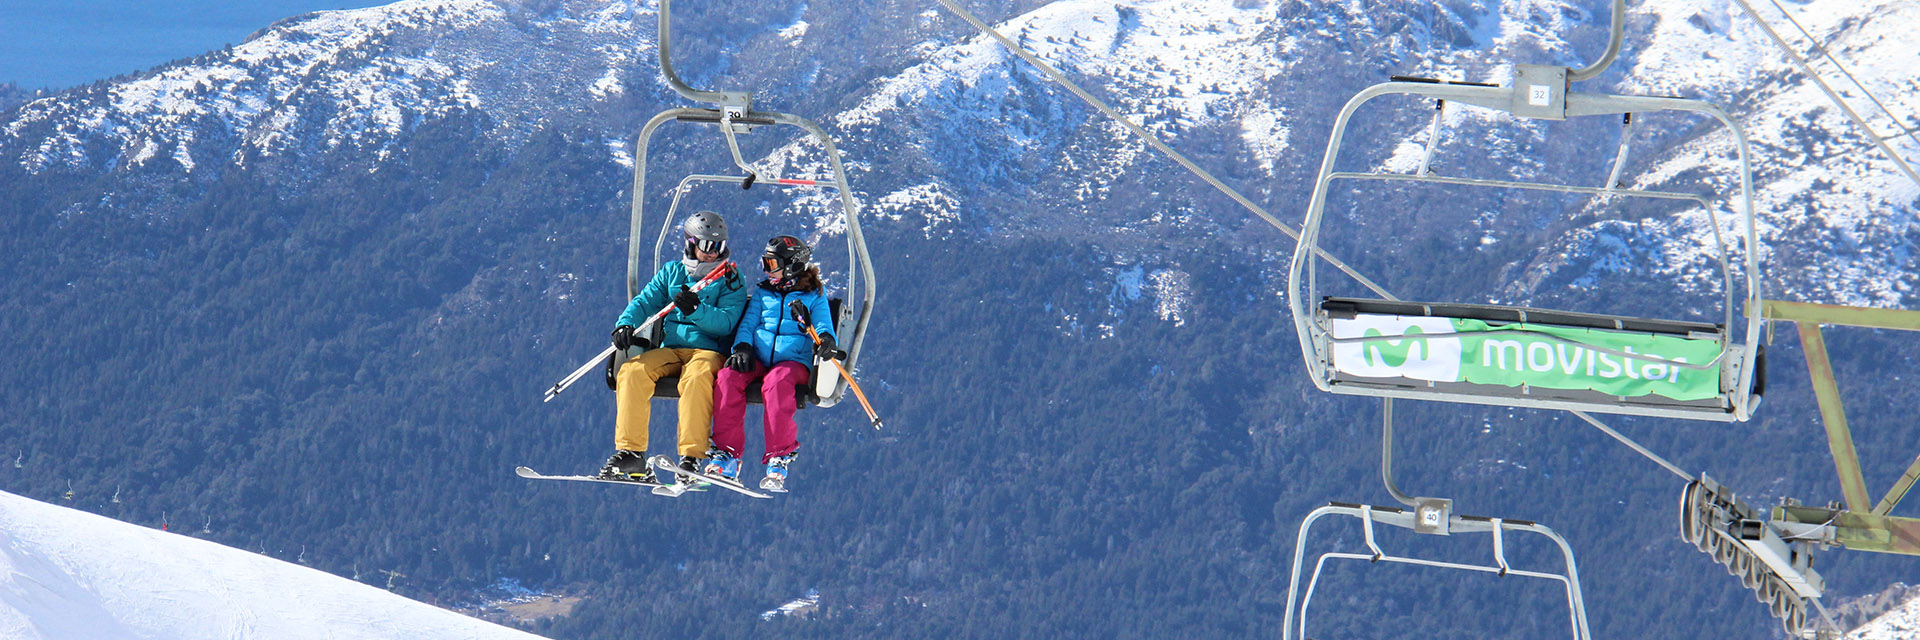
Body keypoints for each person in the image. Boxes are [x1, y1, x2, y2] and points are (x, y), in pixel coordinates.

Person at [597, 211, 750, 483]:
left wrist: (696, 310)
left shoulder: (730, 278)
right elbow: (645, 302)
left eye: (719, 246)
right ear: (690, 244)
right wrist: (625, 324)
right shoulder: (672, 271)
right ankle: (631, 453)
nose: (713, 253)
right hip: (672, 350)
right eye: (707, 246)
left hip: (708, 351)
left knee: (697, 378)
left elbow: (726, 323)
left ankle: (691, 456)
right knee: (632, 371)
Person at [706, 235, 845, 492]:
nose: (766, 270)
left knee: (776, 383)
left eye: (772, 264)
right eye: (765, 263)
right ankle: (727, 454)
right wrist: (743, 348)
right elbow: (749, 323)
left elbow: (824, 326)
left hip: (793, 363)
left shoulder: (813, 297)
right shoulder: (763, 293)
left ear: (791, 265)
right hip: (759, 357)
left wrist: (824, 338)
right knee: (728, 377)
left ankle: (779, 456)